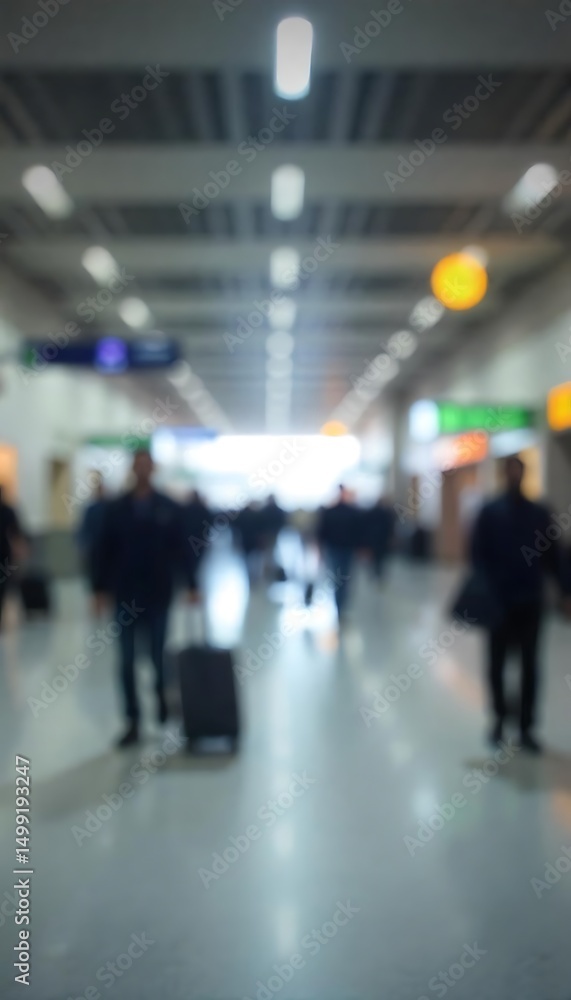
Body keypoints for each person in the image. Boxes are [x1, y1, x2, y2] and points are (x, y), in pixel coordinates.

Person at [94, 449, 194, 748]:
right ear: (131, 469)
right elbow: (103, 550)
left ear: (153, 469)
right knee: (126, 661)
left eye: (146, 465)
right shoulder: (116, 509)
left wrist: (192, 584)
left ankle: (161, 699)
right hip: (126, 594)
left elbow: (182, 548)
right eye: (137, 465)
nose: (141, 470)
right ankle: (132, 720)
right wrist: (98, 589)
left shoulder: (168, 508)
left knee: (157, 656)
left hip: (158, 593)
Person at [470, 455, 571, 753]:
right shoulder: (489, 512)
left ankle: (526, 727)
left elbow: (554, 556)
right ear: (504, 474)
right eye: (510, 470)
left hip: (529, 600)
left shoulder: (539, 513)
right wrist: (484, 590)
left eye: (518, 470)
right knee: (497, 664)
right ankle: (499, 719)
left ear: (524, 474)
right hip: (498, 601)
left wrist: (565, 592)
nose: (514, 475)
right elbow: (477, 555)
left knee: (529, 665)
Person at [317, 486, 362, 622]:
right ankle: (340, 605)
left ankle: (340, 604)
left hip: (338, 549)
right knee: (343, 577)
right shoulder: (350, 512)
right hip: (342, 549)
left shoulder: (331, 512)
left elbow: (322, 532)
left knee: (339, 577)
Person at [77, 472, 108, 610]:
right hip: (94, 552)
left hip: (107, 552)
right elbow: (84, 529)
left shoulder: (110, 508)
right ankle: (97, 603)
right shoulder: (91, 509)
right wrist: (83, 546)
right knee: (95, 580)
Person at [0, 487, 26, 628]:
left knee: (3, 587)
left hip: (4, 554)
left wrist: (19, 549)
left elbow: (16, 532)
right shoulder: (8, 511)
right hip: (5, 554)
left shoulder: (8, 511)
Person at [183, 489, 212, 598]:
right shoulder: (203, 509)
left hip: (188, 541)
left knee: (190, 564)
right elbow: (208, 525)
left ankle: (192, 586)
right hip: (200, 541)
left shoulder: (185, 509)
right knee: (196, 563)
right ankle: (194, 586)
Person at [365, 495, 395, 580]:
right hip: (382, 539)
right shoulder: (387, 513)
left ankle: (374, 574)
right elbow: (390, 527)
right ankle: (378, 573)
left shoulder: (371, 512)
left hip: (373, 539)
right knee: (380, 558)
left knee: (373, 558)